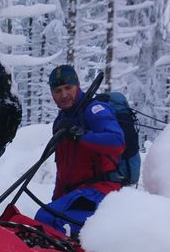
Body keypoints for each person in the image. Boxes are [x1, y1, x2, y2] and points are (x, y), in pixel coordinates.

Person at [34, 65, 125, 237]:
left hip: (102, 191)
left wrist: (80, 135)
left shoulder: (94, 110)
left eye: (68, 88)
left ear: (77, 86)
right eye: (58, 90)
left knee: (52, 221)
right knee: (44, 218)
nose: (64, 95)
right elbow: (63, 169)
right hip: (78, 194)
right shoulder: (62, 121)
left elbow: (117, 142)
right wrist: (57, 201)